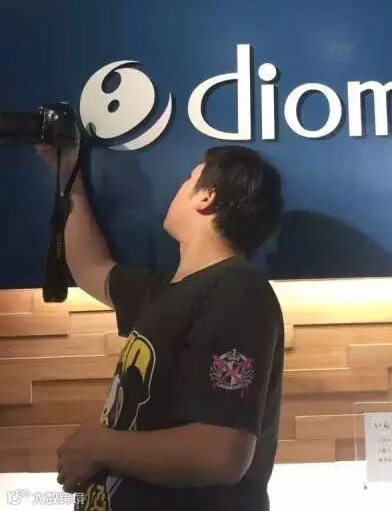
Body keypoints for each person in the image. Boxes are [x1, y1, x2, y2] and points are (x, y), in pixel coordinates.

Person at [36, 143, 285, 511]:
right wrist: (69, 179)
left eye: (189, 179)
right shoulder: (168, 291)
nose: (179, 187)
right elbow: (90, 267)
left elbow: (220, 453)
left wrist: (99, 445)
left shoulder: (238, 291)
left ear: (206, 197)